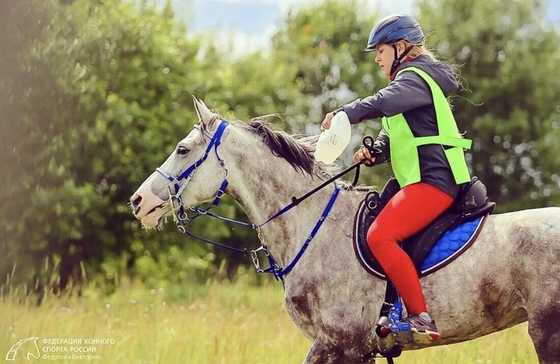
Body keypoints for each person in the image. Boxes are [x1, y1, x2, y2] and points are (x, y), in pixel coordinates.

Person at [321, 14, 472, 341]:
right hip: (423, 180)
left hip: (433, 180)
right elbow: (397, 135)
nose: (376, 57)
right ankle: (392, 306)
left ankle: (420, 316)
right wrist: (375, 150)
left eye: (380, 50)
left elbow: (384, 103)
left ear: (400, 48)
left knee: (380, 236)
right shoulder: (411, 82)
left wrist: (346, 112)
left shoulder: (414, 77)